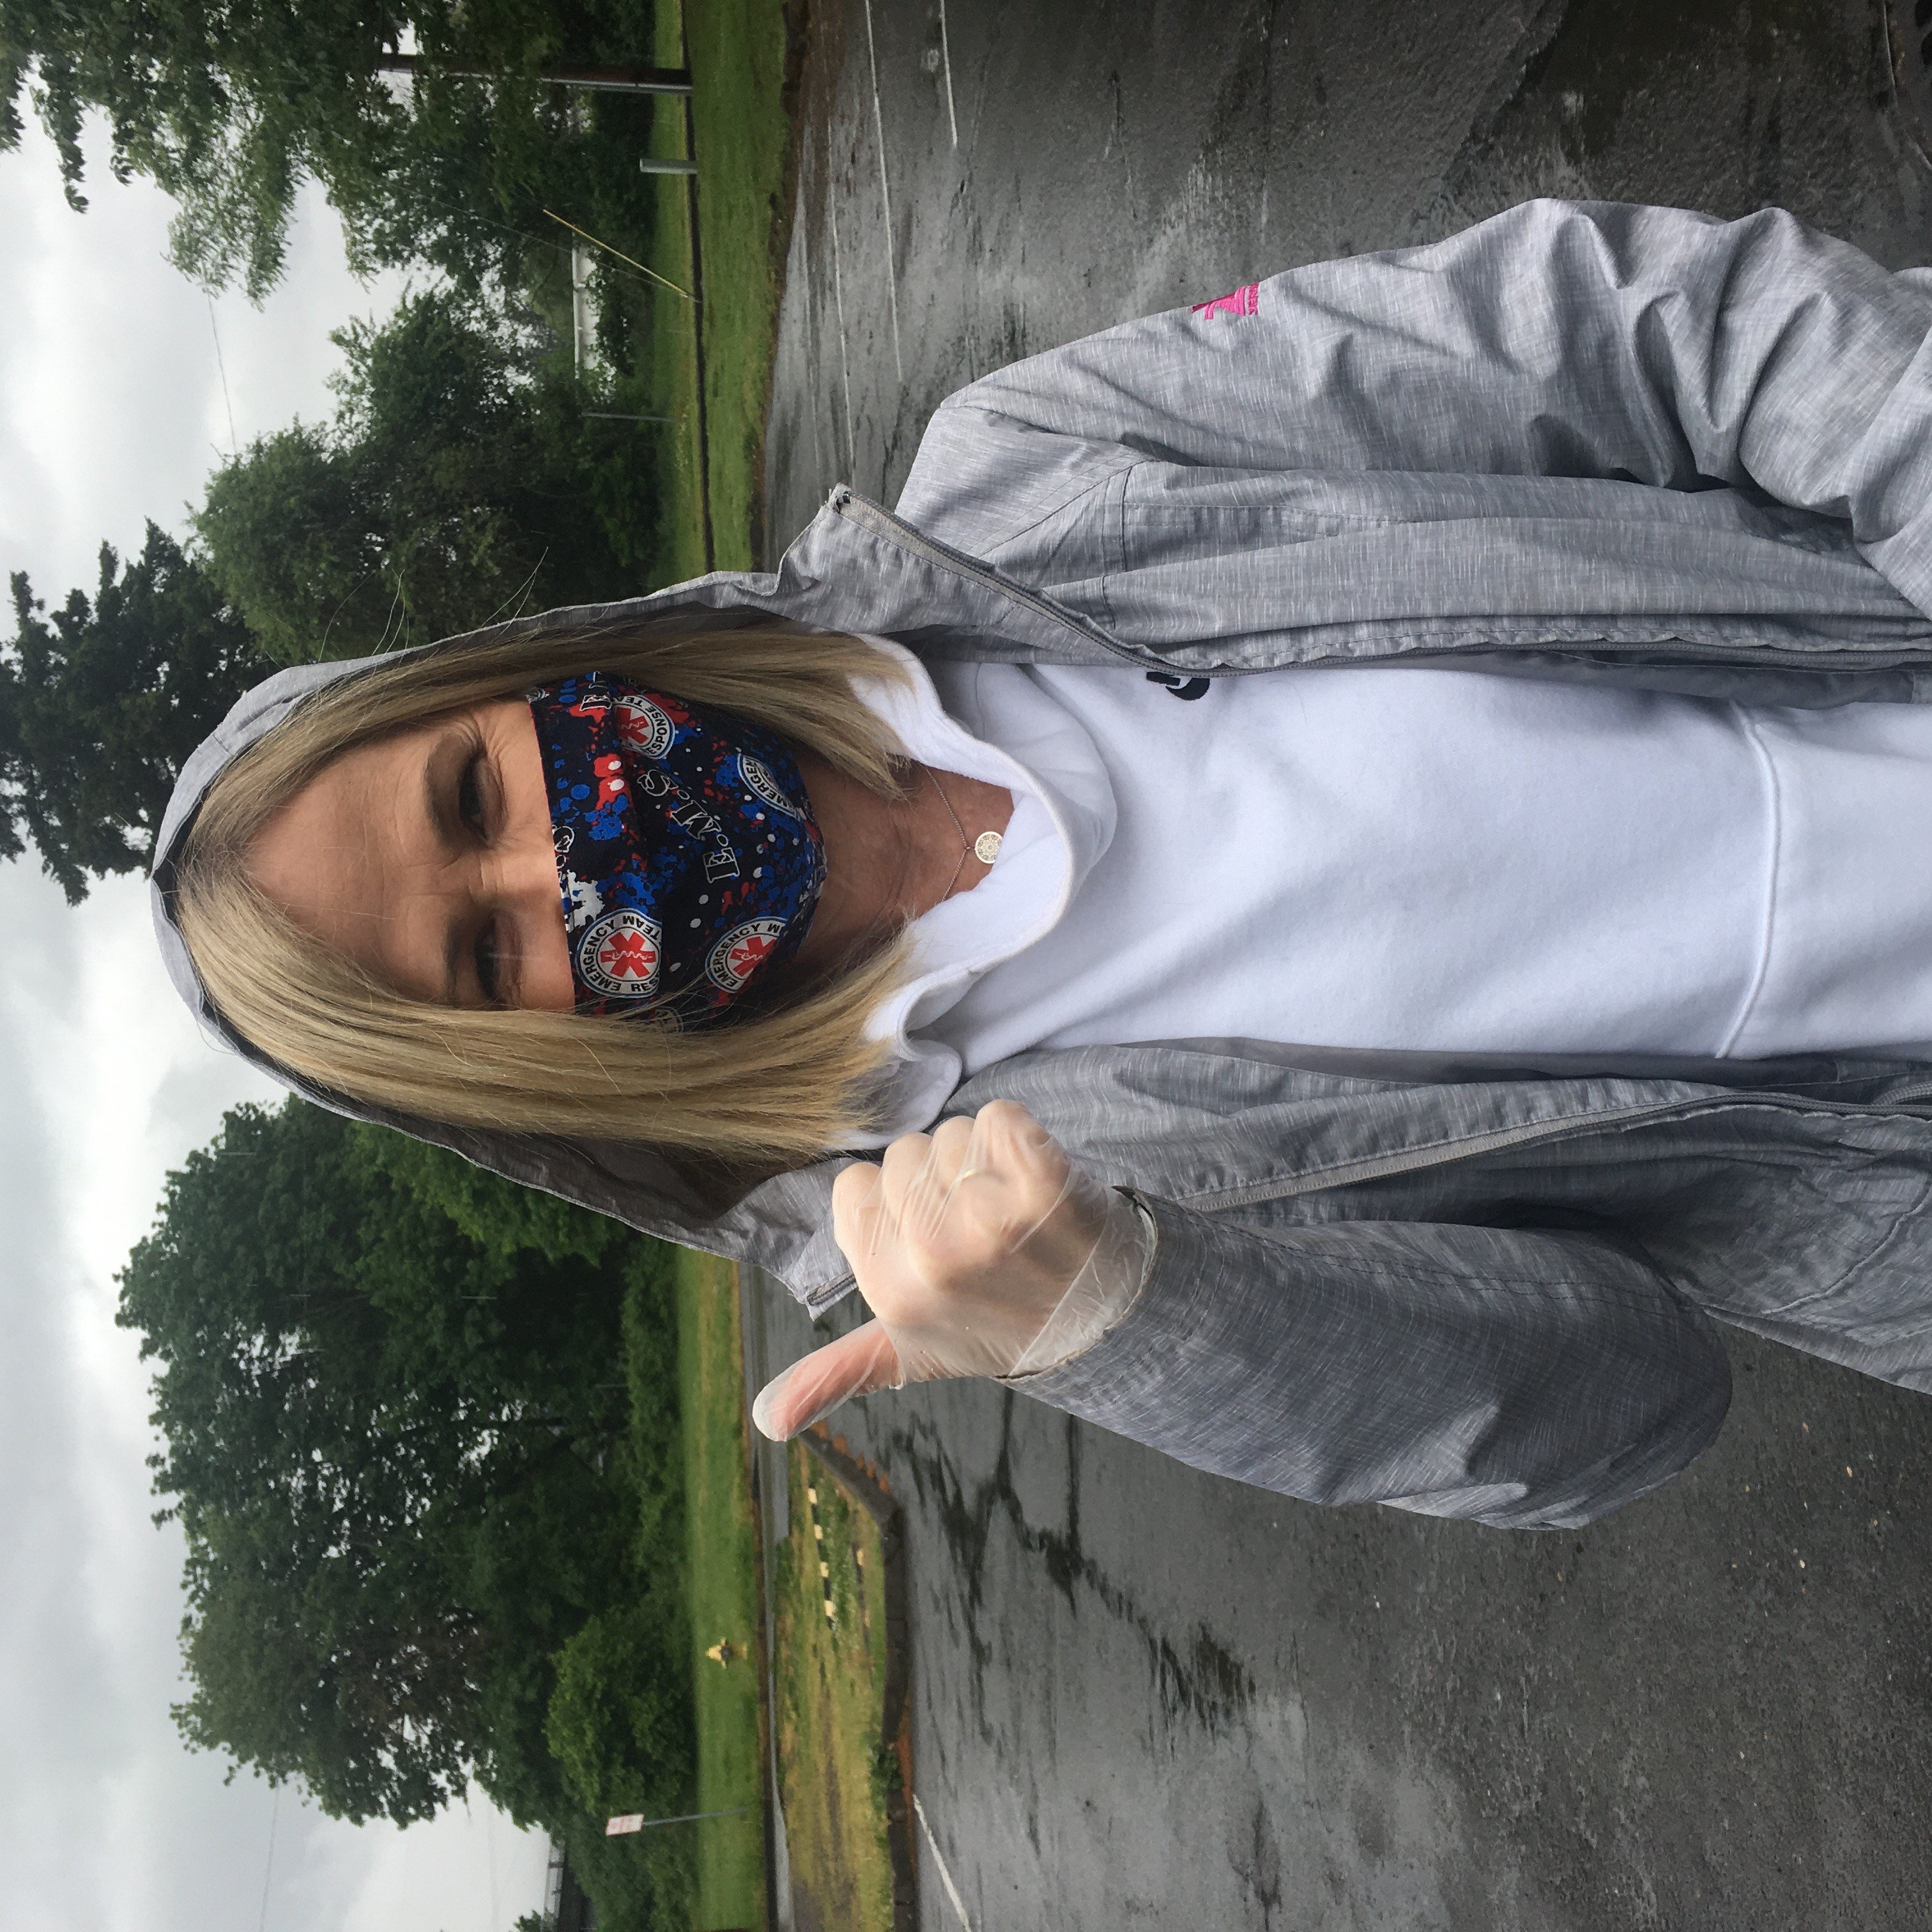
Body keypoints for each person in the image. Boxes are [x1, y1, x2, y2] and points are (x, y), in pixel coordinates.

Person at [153, 198, 1932, 1531]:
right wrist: (1142, 1320)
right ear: (519, 1059)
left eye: (473, 796)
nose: (549, 865)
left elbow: (1645, 326)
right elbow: (1621, 1409)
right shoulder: (982, 1215)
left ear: (509, 677)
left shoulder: (1035, 487)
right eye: (482, 959)